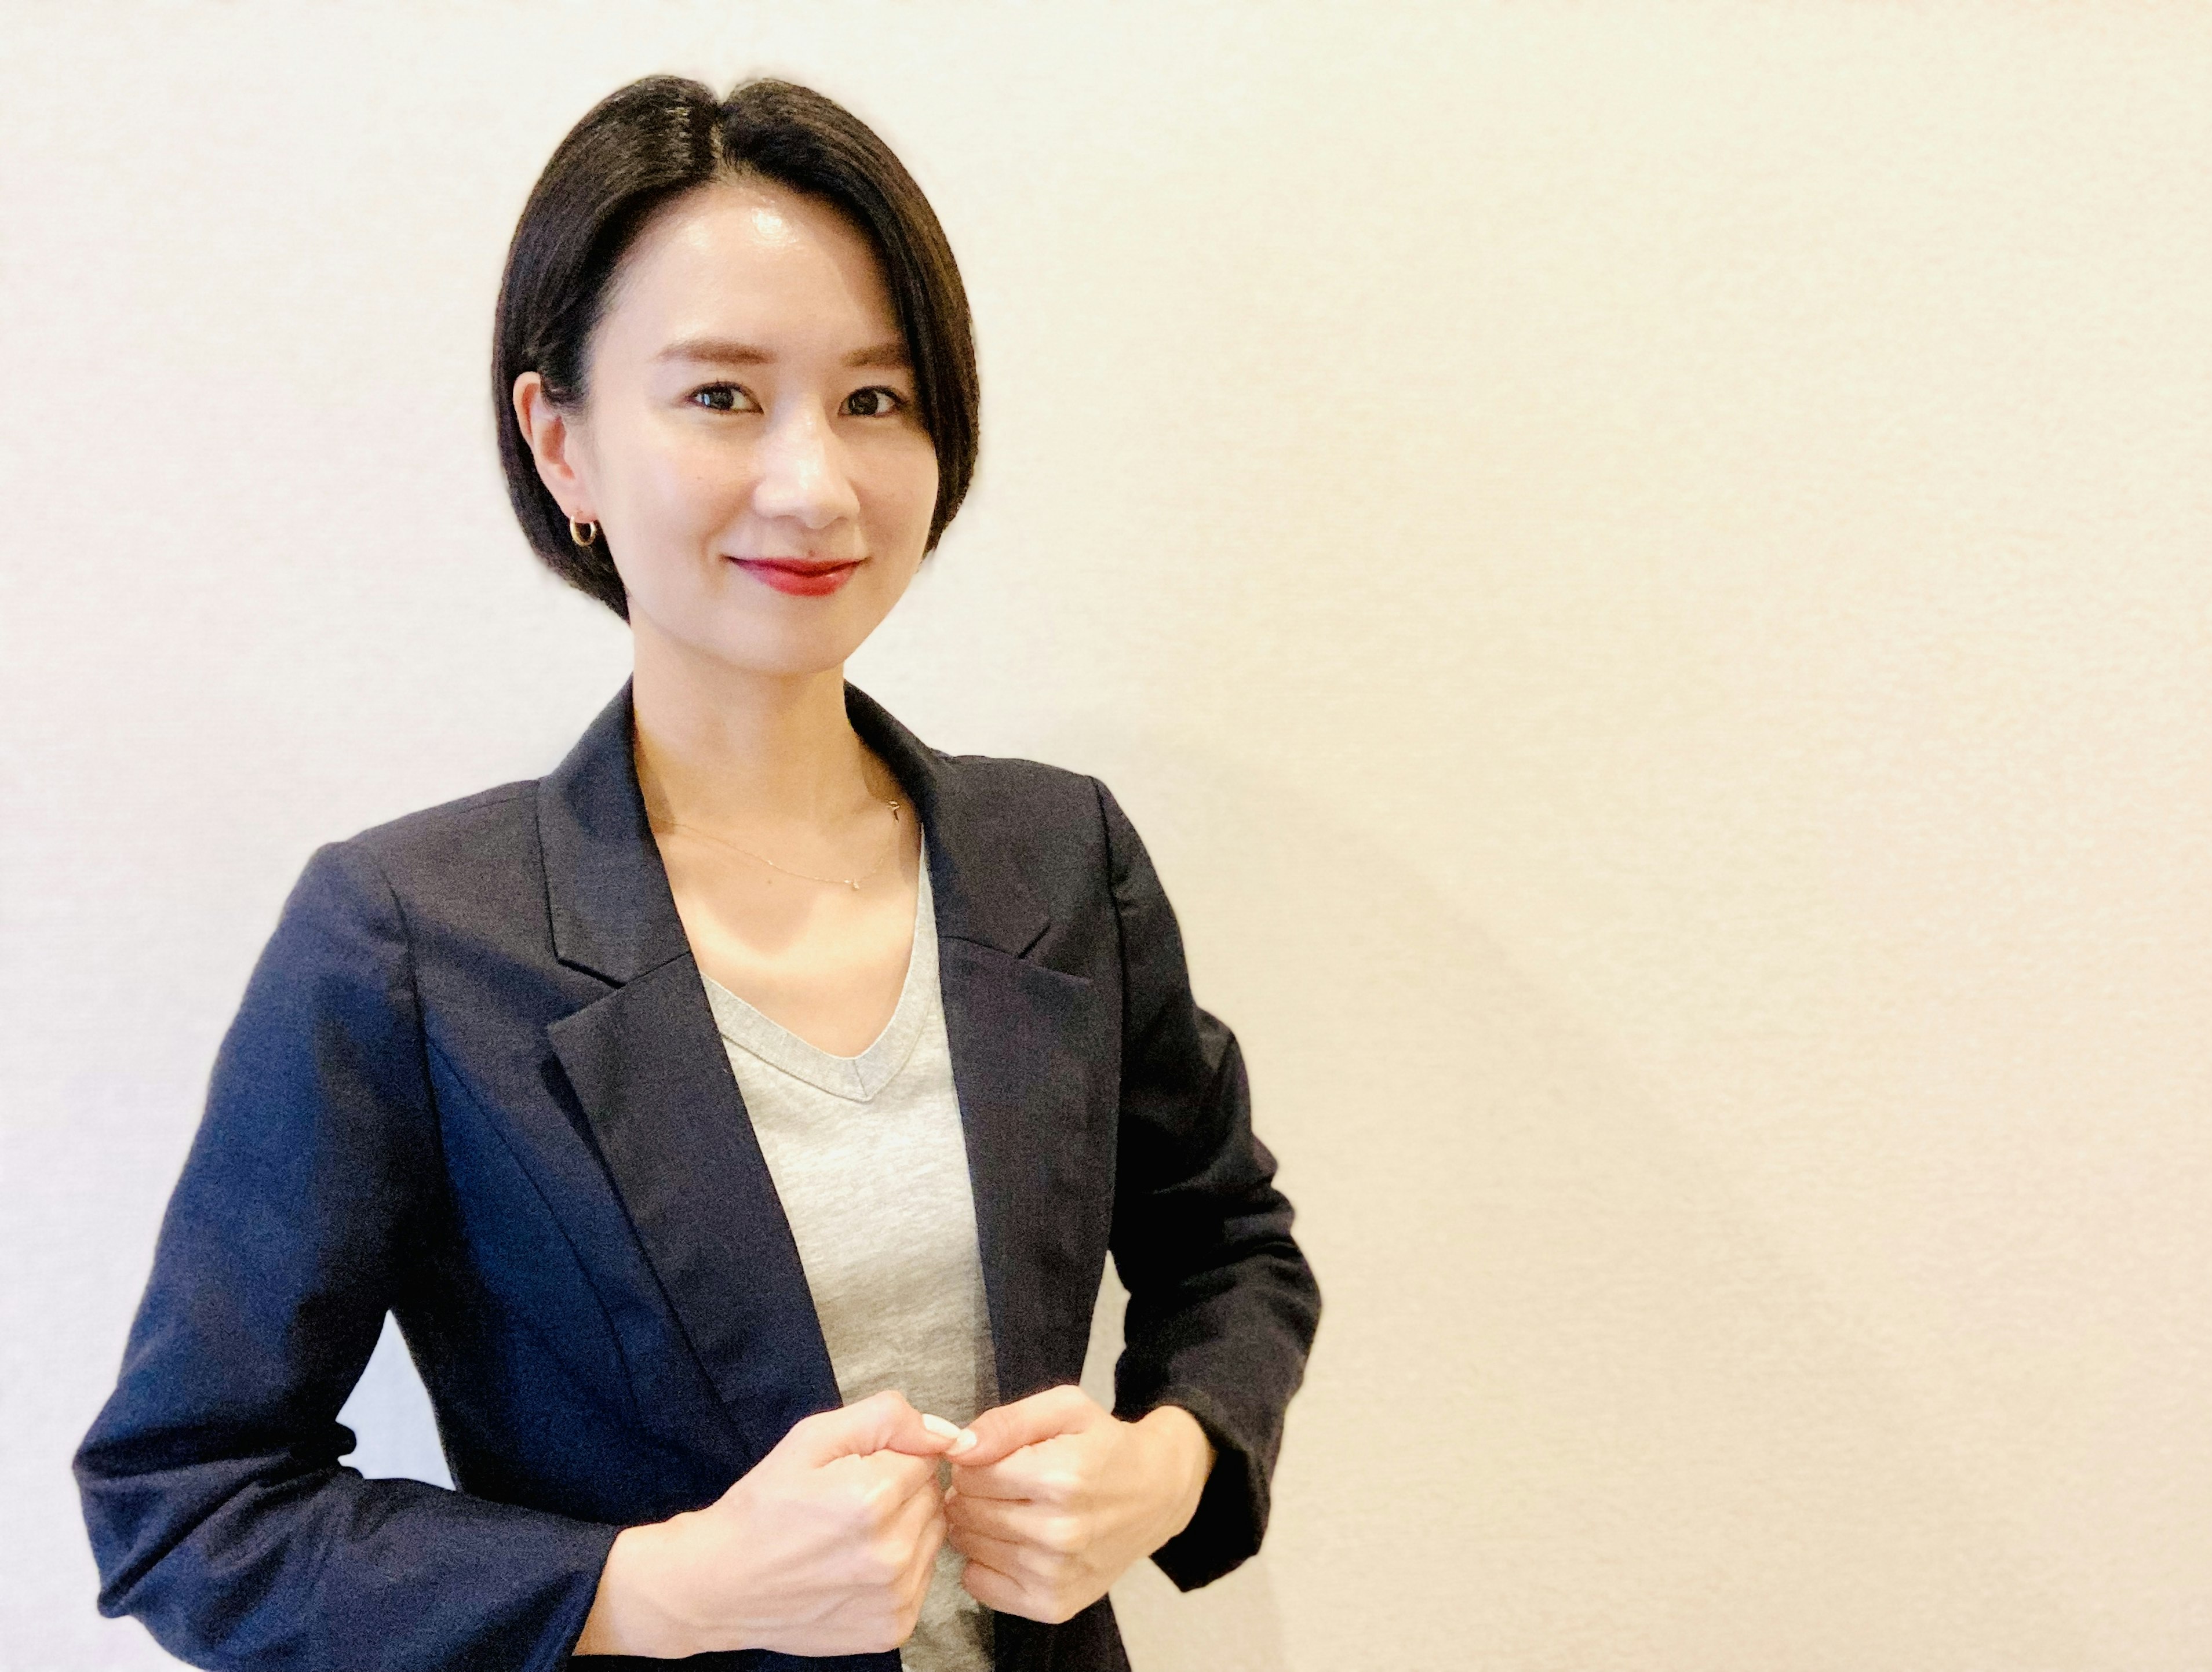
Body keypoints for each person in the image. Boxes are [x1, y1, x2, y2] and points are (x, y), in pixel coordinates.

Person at [74, 75, 1319, 1672]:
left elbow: (1232, 1248)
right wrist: (659, 1587)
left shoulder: (1058, 857)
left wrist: (1173, 1460)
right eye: (723, 397)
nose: (813, 484)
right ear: (563, 441)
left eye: (877, 400)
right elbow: (189, 1504)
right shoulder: (408, 940)